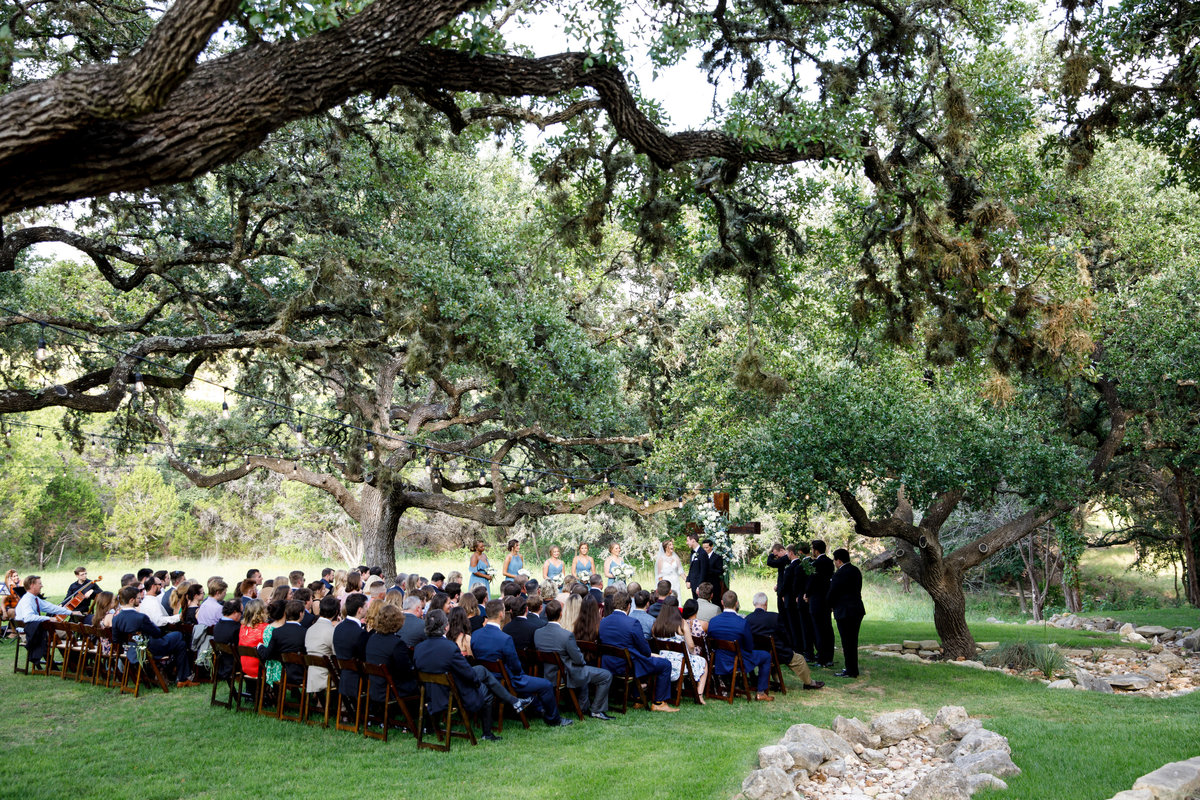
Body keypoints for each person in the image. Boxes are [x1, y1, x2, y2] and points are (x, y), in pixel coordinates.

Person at [413, 609, 534, 742]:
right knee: (486, 690)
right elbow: (469, 675)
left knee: (481, 670)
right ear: (446, 626)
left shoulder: (419, 648)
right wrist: (477, 684)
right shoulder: (449, 647)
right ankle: (487, 733)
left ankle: (514, 702)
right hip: (452, 695)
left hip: (430, 695)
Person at [471, 599, 572, 727]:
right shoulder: (504, 638)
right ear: (501, 614)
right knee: (545, 685)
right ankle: (554, 719)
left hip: (487, 678)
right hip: (507, 679)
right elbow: (515, 666)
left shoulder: (476, 634)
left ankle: (537, 708)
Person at [534, 598, 614, 720]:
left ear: (545, 614)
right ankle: (597, 710)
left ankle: (584, 705)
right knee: (606, 675)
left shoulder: (537, 633)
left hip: (547, 673)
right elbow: (579, 660)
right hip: (567, 674)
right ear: (561, 613)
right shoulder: (566, 635)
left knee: (585, 672)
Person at [598, 590, 675, 711]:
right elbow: (645, 650)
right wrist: (652, 654)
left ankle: (638, 698)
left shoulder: (603, 621)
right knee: (665, 664)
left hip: (608, 664)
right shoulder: (632, 623)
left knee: (640, 660)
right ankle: (659, 702)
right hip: (626, 666)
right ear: (629, 606)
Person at [112, 585, 194, 685]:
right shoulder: (140, 617)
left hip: (132, 649)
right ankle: (182, 678)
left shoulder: (116, 618)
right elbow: (157, 633)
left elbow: (116, 639)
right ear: (131, 600)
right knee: (178, 635)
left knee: (180, 644)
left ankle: (181, 678)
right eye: (138, 598)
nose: (140, 600)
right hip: (149, 649)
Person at [746, 592, 825, 690]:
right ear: (766, 603)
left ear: (754, 603)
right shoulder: (774, 617)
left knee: (774, 656)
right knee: (799, 659)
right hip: (778, 653)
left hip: (757, 653)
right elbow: (785, 636)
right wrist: (790, 647)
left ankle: (777, 682)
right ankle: (809, 683)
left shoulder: (748, 619)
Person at [707, 590, 775, 701]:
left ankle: (737, 685)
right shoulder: (742, 623)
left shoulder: (713, 621)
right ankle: (761, 692)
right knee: (766, 656)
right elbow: (749, 646)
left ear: (722, 603)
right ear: (737, 603)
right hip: (738, 661)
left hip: (719, 660)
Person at [15, 575, 83, 666]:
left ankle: (72, 662)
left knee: (63, 633)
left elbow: (51, 608)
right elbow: (28, 617)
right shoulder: (27, 600)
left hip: (34, 632)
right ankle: (76, 663)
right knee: (67, 632)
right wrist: (49, 618)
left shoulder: (34, 598)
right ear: (32, 585)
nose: (42, 586)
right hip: (30, 634)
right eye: (39, 584)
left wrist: (70, 612)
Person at [364, 604, 418, 710]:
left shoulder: (372, 638)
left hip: (375, 687)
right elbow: (405, 670)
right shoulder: (397, 644)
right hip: (390, 689)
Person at [650, 603, 708, 701]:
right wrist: (691, 652)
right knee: (704, 662)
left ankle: (677, 688)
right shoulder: (681, 623)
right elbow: (691, 646)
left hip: (662, 662)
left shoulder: (657, 623)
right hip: (679, 665)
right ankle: (699, 695)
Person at [828, 548, 865, 678]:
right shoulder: (856, 571)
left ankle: (851, 670)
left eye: (835, 560)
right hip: (857, 609)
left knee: (847, 641)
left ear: (839, 560)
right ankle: (852, 668)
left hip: (844, 611)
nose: (834, 563)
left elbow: (833, 593)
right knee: (852, 640)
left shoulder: (839, 574)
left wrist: (829, 605)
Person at [805, 539, 836, 667]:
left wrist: (806, 593)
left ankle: (822, 658)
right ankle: (829, 657)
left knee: (818, 630)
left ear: (816, 550)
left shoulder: (816, 564)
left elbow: (812, 580)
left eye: (812, 549)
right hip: (826, 600)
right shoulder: (830, 562)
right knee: (827, 628)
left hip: (817, 600)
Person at [783, 543, 815, 661]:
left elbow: (796, 584)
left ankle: (806, 651)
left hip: (800, 598)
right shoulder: (813, 563)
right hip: (810, 598)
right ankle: (810, 650)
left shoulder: (799, 567)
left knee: (803, 626)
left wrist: (797, 595)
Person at [305, 595, 339, 693]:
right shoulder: (332, 631)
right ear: (336, 612)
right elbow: (337, 655)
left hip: (312, 675)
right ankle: (344, 707)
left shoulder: (310, 629)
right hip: (327, 677)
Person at [212, 600, 242, 681]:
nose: (241, 616)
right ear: (235, 612)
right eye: (241, 613)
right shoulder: (236, 628)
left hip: (221, 663)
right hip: (235, 664)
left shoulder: (217, 626)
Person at [239, 600, 269, 679]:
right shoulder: (265, 627)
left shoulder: (243, 627)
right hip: (259, 668)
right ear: (261, 612)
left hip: (245, 666)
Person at [685, 531, 708, 599]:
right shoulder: (692, 552)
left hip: (699, 586)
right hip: (693, 583)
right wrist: (688, 580)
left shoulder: (702, 553)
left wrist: (699, 586)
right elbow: (691, 568)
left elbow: (703, 572)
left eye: (687, 540)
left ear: (693, 541)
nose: (687, 543)